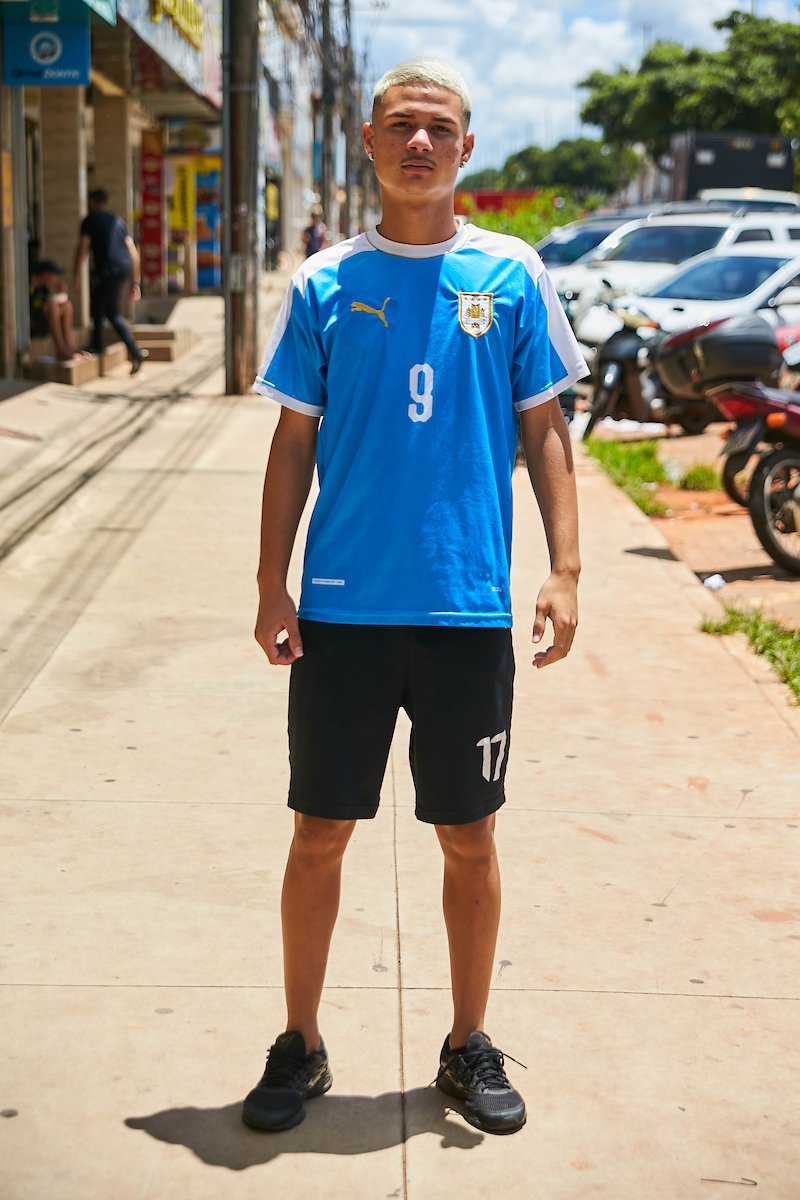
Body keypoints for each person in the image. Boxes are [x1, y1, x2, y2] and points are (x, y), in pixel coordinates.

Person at [245, 56, 587, 1137]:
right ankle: (299, 1045)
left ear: (466, 148)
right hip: (343, 612)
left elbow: (544, 430)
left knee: (469, 838)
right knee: (317, 835)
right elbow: (292, 439)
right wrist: (271, 581)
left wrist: (564, 569)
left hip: (465, 611)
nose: (419, 143)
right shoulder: (326, 284)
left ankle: (464, 1043)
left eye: (438, 127)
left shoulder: (513, 275)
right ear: (368, 140)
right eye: (400, 125)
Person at [72, 189, 149, 375]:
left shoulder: (89, 221)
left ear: (92, 202)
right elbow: (133, 253)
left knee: (112, 312)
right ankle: (98, 344)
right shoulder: (118, 221)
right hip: (122, 269)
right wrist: (135, 282)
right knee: (97, 305)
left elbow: (82, 250)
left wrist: (75, 277)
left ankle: (135, 351)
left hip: (108, 270)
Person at [29, 259, 84, 361]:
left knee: (67, 305)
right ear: (45, 274)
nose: (56, 279)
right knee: (52, 305)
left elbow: (45, 303)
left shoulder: (43, 288)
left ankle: (69, 347)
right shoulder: (29, 284)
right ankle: (61, 350)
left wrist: (58, 293)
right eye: (55, 275)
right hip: (29, 325)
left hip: (42, 322)